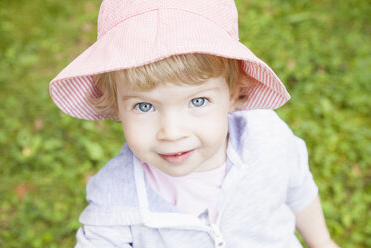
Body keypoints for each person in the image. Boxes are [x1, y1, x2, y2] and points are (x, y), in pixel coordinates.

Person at [49, 0, 340, 247]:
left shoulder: (267, 138)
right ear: (115, 104)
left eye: (198, 101)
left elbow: (299, 189)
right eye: (145, 106)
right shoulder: (116, 198)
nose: (172, 132)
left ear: (234, 92)